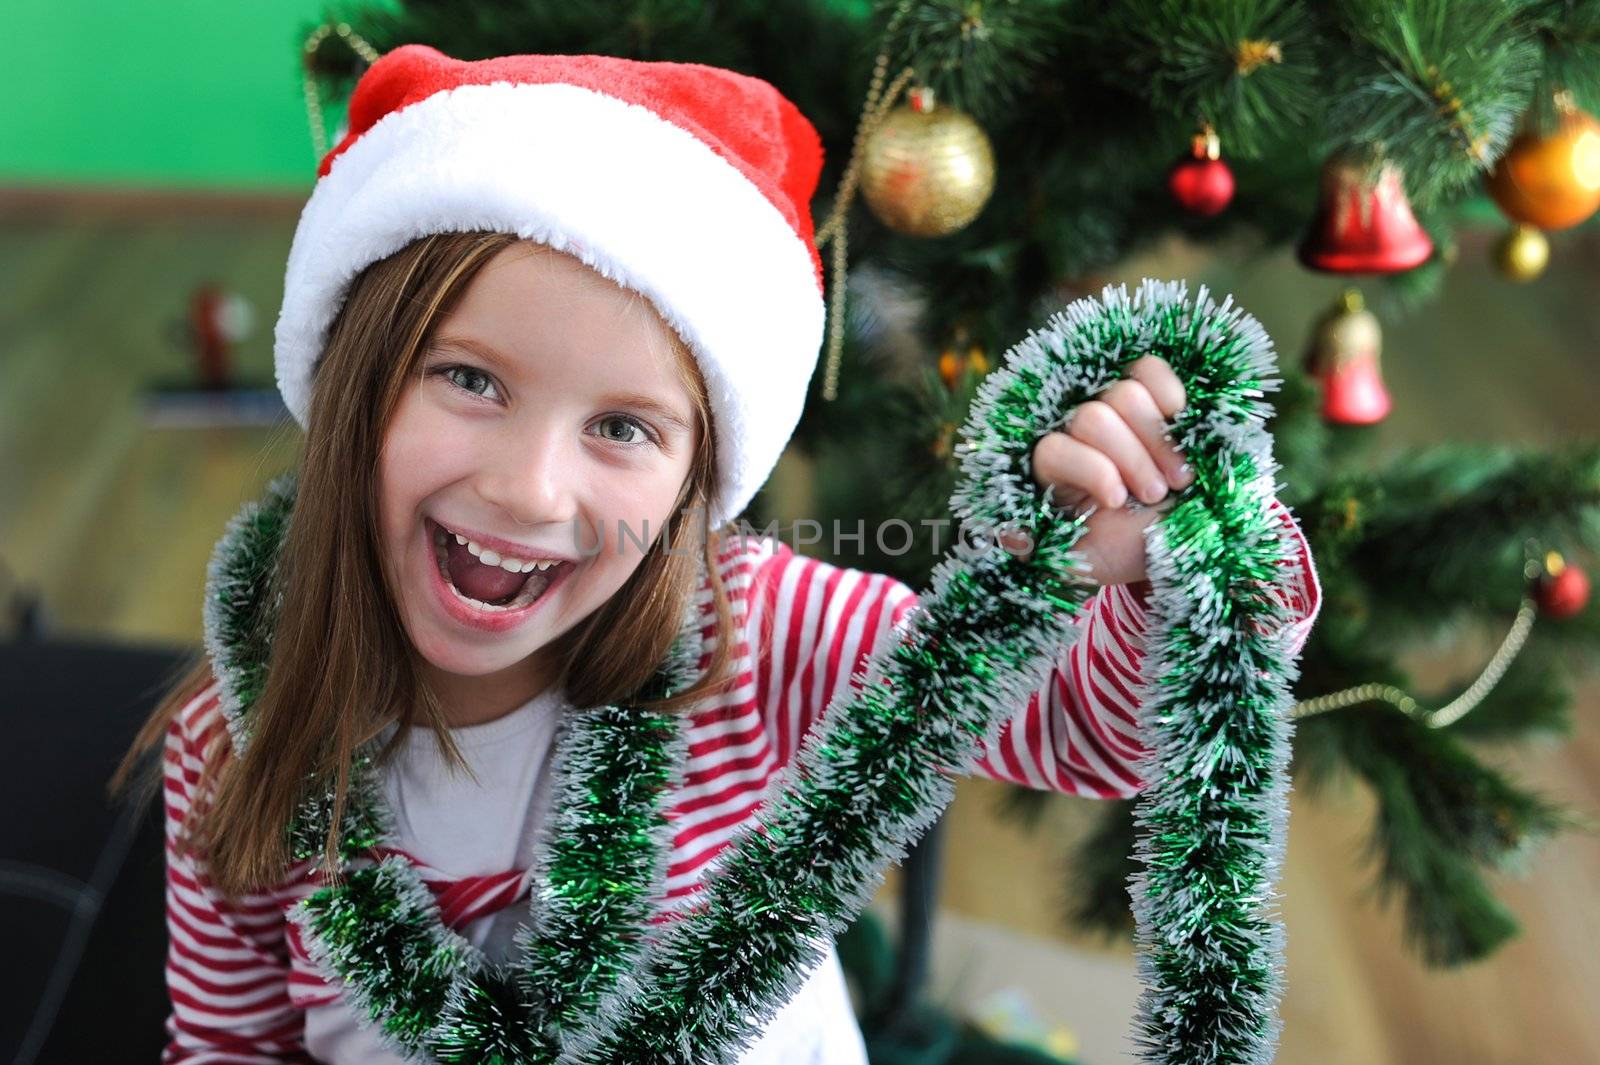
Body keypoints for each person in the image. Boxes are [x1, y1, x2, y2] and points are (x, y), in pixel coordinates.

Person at [112, 45, 1321, 1064]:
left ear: (698, 486)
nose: (528, 488)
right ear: (354, 381)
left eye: (623, 428)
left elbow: (1098, 731)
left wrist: (1174, 567)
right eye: (468, 379)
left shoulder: (766, 636)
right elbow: (230, 1045)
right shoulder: (237, 741)